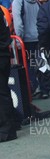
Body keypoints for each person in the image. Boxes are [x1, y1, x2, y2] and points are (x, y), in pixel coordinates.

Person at [0, 12, 18, 142]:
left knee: (2, 94)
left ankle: (8, 129)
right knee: (3, 93)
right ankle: (11, 125)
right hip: (3, 54)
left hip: (1, 55)